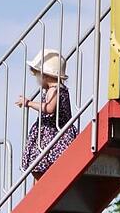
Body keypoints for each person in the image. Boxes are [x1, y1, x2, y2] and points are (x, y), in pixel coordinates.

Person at [16, 49, 78, 179]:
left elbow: (49, 108)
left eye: (38, 75)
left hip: (53, 134)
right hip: (57, 132)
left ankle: (39, 187)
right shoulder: (59, 89)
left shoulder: (54, 90)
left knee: (41, 165)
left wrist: (29, 103)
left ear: (45, 75)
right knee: (40, 168)